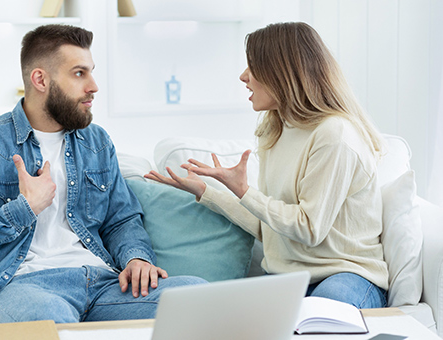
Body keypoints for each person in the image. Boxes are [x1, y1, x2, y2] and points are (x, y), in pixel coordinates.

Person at [0, 24, 205, 324]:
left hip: (103, 283)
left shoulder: (96, 141)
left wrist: (136, 257)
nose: (94, 86)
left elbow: (121, 219)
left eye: (91, 71)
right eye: (79, 73)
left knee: (197, 296)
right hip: (26, 285)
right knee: (50, 320)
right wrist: (23, 210)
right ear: (40, 79)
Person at [146, 22, 389, 309]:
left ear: (283, 72)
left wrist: (244, 190)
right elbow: (271, 229)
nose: (243, 76)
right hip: (286, 276)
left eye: (253, 66)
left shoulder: (334, 134)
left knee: (322, 315)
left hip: (345, 274)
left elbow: (309, 229)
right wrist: (205, 192)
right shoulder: (276, 129)